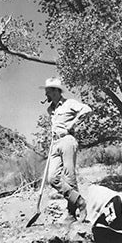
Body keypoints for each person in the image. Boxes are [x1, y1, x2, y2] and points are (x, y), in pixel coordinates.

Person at [40, 77, 92, 223]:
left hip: (68, 140)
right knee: (52, 178)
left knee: (70, 177)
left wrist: (73, 124)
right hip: (55, 143)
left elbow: (87, 110)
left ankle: (71, 213)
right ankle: (79, 200)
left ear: (56, 91)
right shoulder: (50, 109)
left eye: (48, 92)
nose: (46, 95)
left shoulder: (70, 103)